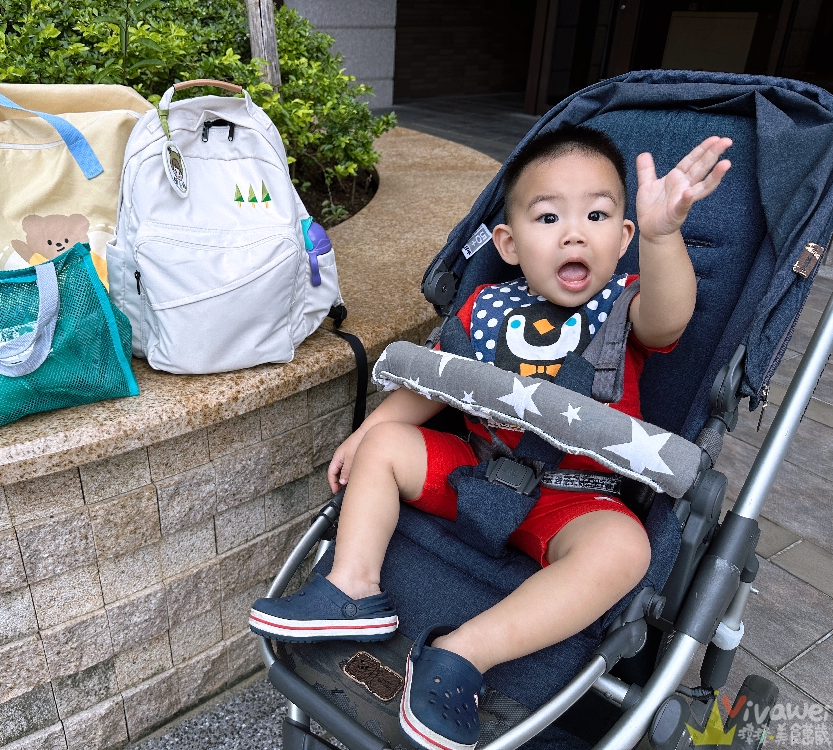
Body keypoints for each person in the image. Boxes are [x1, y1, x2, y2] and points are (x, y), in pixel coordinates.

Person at [250, 127, 732, 750]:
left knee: (623, 549)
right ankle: (352, 588)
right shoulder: (484, 305)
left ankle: (463, 654)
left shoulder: (626, 303)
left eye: (597, 214)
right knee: (387, 445)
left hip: (574, 496)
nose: (574, 232)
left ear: (623, 237)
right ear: (507, 242)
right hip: (473, 469)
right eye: (549, 216)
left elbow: (671, 317)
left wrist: (665, 236)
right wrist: (370, 430)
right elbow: (434, 386)